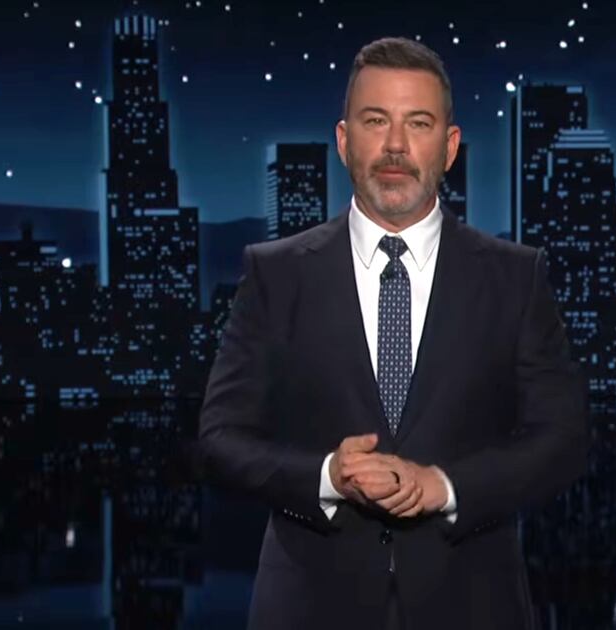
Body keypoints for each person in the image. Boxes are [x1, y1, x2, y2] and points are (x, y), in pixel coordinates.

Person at [198, 36, 587, 630]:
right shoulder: (275, 274)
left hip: (474, 606)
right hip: (307, 607)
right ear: (344, 140)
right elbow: (221, 439)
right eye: (376, 120)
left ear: (449, 147)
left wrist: (445, 487)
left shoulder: (516, 277)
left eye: (418, 123)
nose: (396, 146)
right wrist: (328, 475)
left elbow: (562, 440)